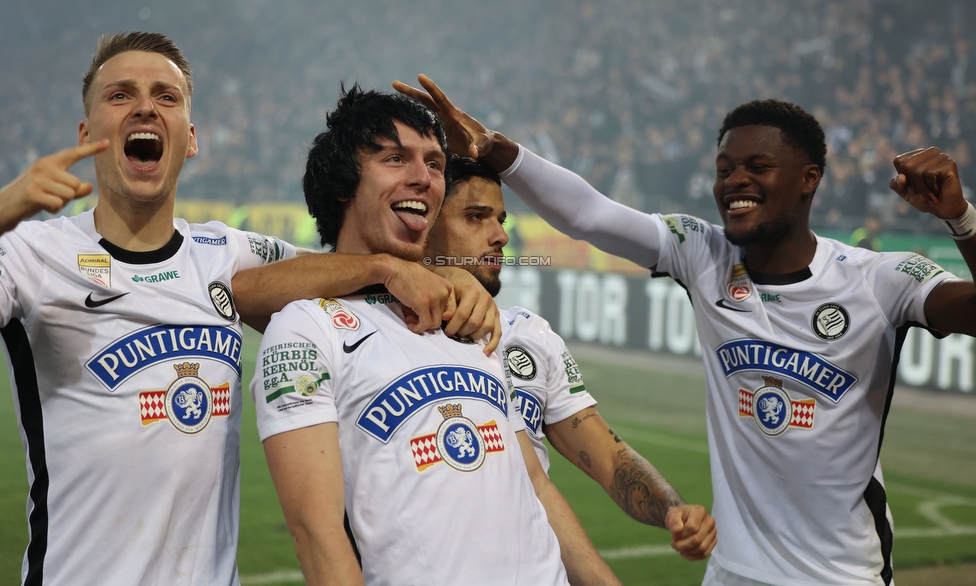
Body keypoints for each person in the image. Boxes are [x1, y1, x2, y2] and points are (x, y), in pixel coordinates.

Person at [393, 76, 976, 586]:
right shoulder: (704, 254)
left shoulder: (879, 280)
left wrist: (962, 220)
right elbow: (589, 215)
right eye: (724, 170)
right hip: (732, 573)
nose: (734, 181)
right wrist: (497, 150)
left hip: (841, 576)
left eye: (757, 167)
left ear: (809, 178)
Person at [0, 33, 498, 586]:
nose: (145, 106)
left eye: (166, 97)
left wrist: (444, 271)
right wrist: (3, 208)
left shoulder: (223, 253)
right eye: (120, 95)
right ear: (86, 133)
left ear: (190, 139)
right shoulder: (30, 255)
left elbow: (343, 264)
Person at [249, 85, 621, 586]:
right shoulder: (306, 327)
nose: (423, 178)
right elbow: (317, 535)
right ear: (344, 185)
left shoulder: (468, 315)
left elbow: (532, 483)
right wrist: (383, 269)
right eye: (395, 158)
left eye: (435, 164)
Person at [424, 155, 716, 561]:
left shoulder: (530, 336)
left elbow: (608, 457)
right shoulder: (368, 324)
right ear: (423, 224)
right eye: (476, 217)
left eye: (501, 220)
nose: (501, 236)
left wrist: (673, 509)